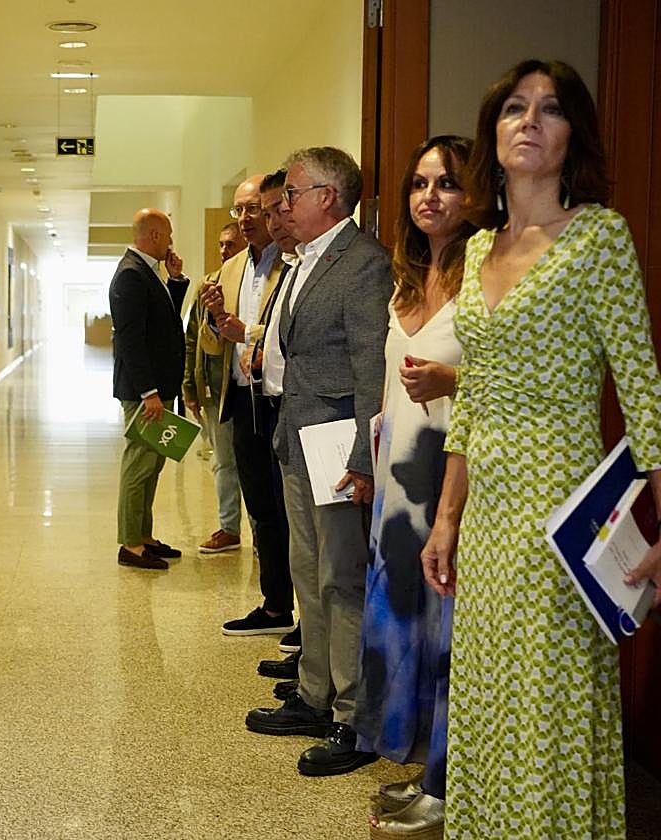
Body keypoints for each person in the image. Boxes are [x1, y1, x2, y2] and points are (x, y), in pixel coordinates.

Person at [420, 59, 661, 838]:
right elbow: (473, 396)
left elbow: (643, 388)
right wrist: (447, 517)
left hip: (561, 513)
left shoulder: (597, 238)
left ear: (571, 136)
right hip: (487, 519)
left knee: (545, 709)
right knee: (489, 699)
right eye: (515, 107)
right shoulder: (479, 248)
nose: (530, 120)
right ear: (492, 133)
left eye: (551, 109)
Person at [245, 147, 391, 778]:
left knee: (341, 578)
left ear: (328, 197)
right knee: (308, 574)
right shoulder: (303, 259)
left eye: (293, 193)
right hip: (298, 440)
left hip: (336, 449)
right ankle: (314, 693)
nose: (283, 205)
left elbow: (371, 368)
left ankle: (353, 716)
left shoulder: (362, 263)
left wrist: (363, 456)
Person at [351, 136, 474, 839]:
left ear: (474, 195)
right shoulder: (403, 278)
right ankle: (426, 766)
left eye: (447, 183)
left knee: (451, 635)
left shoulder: (484, 280)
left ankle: (450, 785)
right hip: (399, 483)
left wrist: (453, 379)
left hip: (455, 481)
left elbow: (508, 379)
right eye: (420, 183)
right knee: (404, 624)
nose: (430, 196)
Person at [202, 172, 297, 642]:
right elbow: (214, 344)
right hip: (242, 399)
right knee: (260, 508)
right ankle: (275, 604)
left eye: (253, 209)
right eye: (238, 210)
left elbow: (287, 334)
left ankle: (310, 616)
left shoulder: (294, 261)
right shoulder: (232, 267)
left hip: (282, 400)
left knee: (291, 510)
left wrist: (247, 333)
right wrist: (215, 318)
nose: (244, 219)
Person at [109, 209, 188, 571]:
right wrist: (148, 392)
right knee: (139, 465)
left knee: (153, 463)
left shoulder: (148, 271)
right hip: (146, 391)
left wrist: (176, 281)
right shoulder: (130, 274)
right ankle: (130, 543)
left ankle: (144, 535)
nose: (171, 242)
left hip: (158, 386)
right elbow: (130, 341)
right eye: (168, 235)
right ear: (155, 235)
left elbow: (164, 323)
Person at [182, 221, 247, 556]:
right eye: (221, 244)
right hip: (216, 390)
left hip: (252, 389)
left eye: (230, 244)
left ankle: (263, 535)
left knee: (254, 465)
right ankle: (228, 528)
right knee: (223, 462)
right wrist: (190, 387)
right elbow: (192, 339)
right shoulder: (208, 285)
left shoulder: (261, 281)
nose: (224, 250)